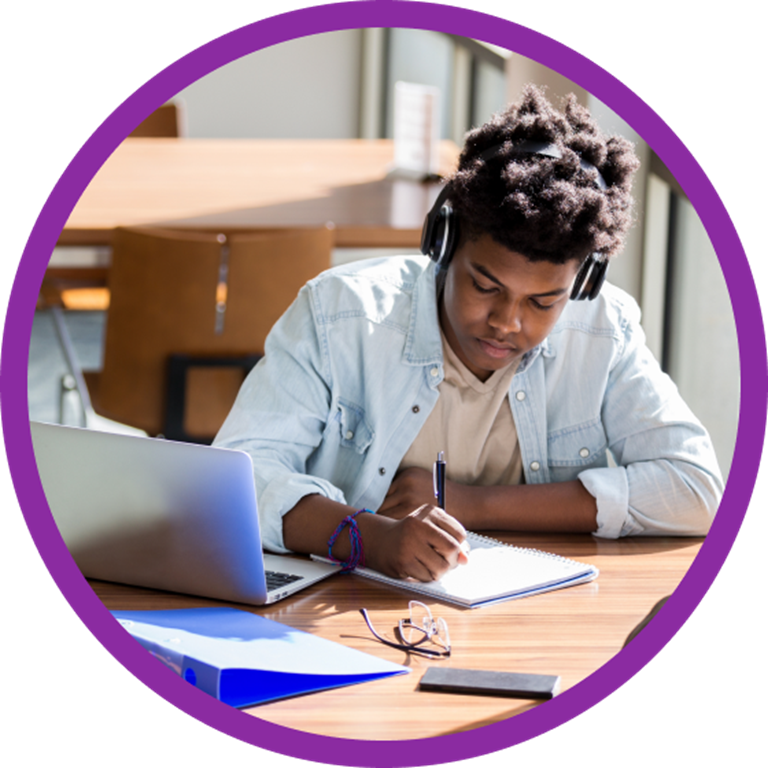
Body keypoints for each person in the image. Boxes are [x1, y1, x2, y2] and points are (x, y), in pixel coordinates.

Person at [214, 85, 723, 583]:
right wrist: (368, 539)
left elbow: (694, 489)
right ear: (443, 242)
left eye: (543, 302)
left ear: (582, 283)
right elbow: (237, 480)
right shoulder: (339, 313)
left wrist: (472, 503)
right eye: (484, 285)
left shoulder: (603, 331)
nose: (506, 322)